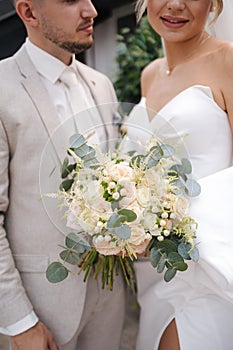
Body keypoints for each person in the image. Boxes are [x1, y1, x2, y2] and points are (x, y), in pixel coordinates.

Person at [0, 1, 126, 350]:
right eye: (71, 1)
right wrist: (20, 323)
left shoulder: (102, 86)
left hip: (111, 298)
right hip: (42, 307)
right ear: (28, 13)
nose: (91, 11)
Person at [124, 0, 233, 349]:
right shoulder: (149, 74)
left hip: (209, 263)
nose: (175, 5)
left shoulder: (227, 61)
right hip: (154, 266)